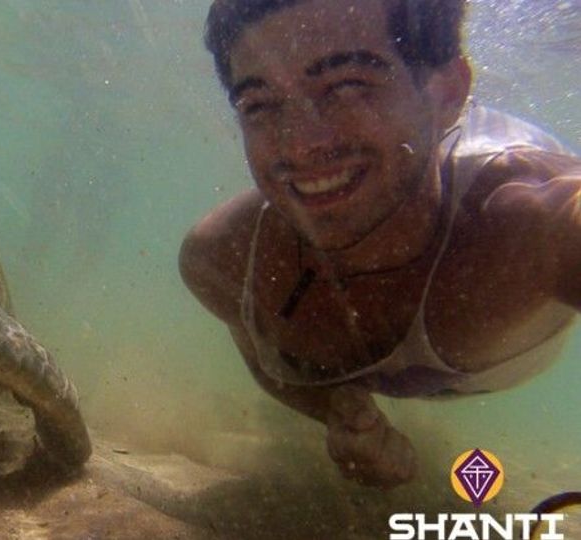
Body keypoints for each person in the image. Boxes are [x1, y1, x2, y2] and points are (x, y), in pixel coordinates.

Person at [179, 0, 581, 488]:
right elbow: (274, 369)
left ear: (448, 94)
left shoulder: (523, 225)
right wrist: (340, 416)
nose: (300, 145)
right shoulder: (222, 261)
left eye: (347, 86)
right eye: (260, 104)